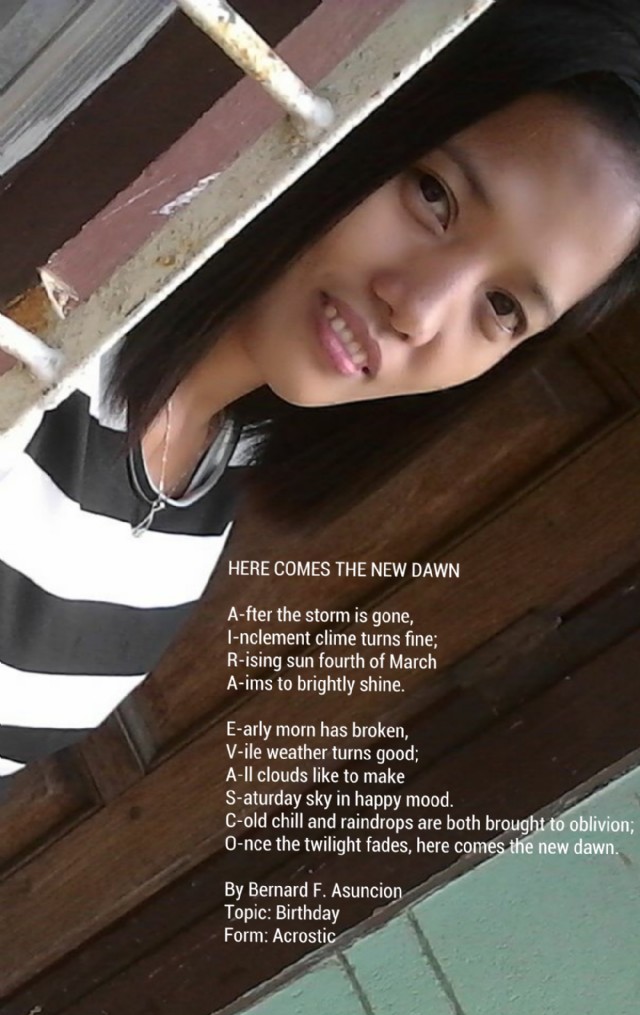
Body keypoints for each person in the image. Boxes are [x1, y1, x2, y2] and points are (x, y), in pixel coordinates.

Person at [2, 0, 640, 783]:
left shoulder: (213, 476)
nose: (419, 310)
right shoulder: (37, 345)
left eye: (503, 308)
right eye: (434, 195)